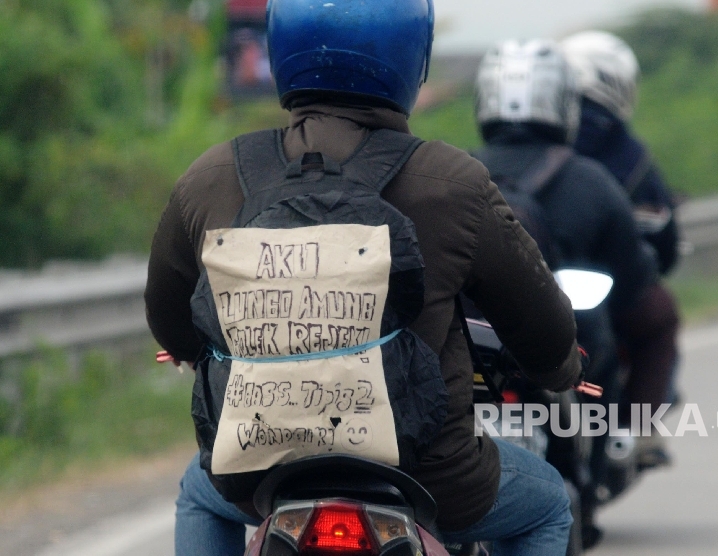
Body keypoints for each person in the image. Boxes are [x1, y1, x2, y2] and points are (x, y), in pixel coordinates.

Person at [144, 2, 584, 555]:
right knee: (547, 506)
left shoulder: (211, 177)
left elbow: (169, 320)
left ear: (282, 51)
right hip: (434, 476)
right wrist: (559, 368)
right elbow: (542, 329)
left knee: (196, 488)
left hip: (258, 471)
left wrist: (194, 347)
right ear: (411, 58)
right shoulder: (454, 183)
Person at [471, 39, 680, 544]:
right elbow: (635, 282)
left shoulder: (450, 169)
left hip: (470, 346)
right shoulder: (595, 178)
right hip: (568, 354)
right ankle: (623, 437)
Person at [562, 30, 684, 443]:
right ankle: (635, 431)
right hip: (601, 290)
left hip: (519, 283)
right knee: (659, 312)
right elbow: (661, 241)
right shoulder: (627, 153)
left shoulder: (525, 136)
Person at [561, 30, 681, 277]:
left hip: (535, 280)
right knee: (659, 311)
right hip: (608, 283)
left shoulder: (543, 131)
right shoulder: (625, 148)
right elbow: (662, 241)